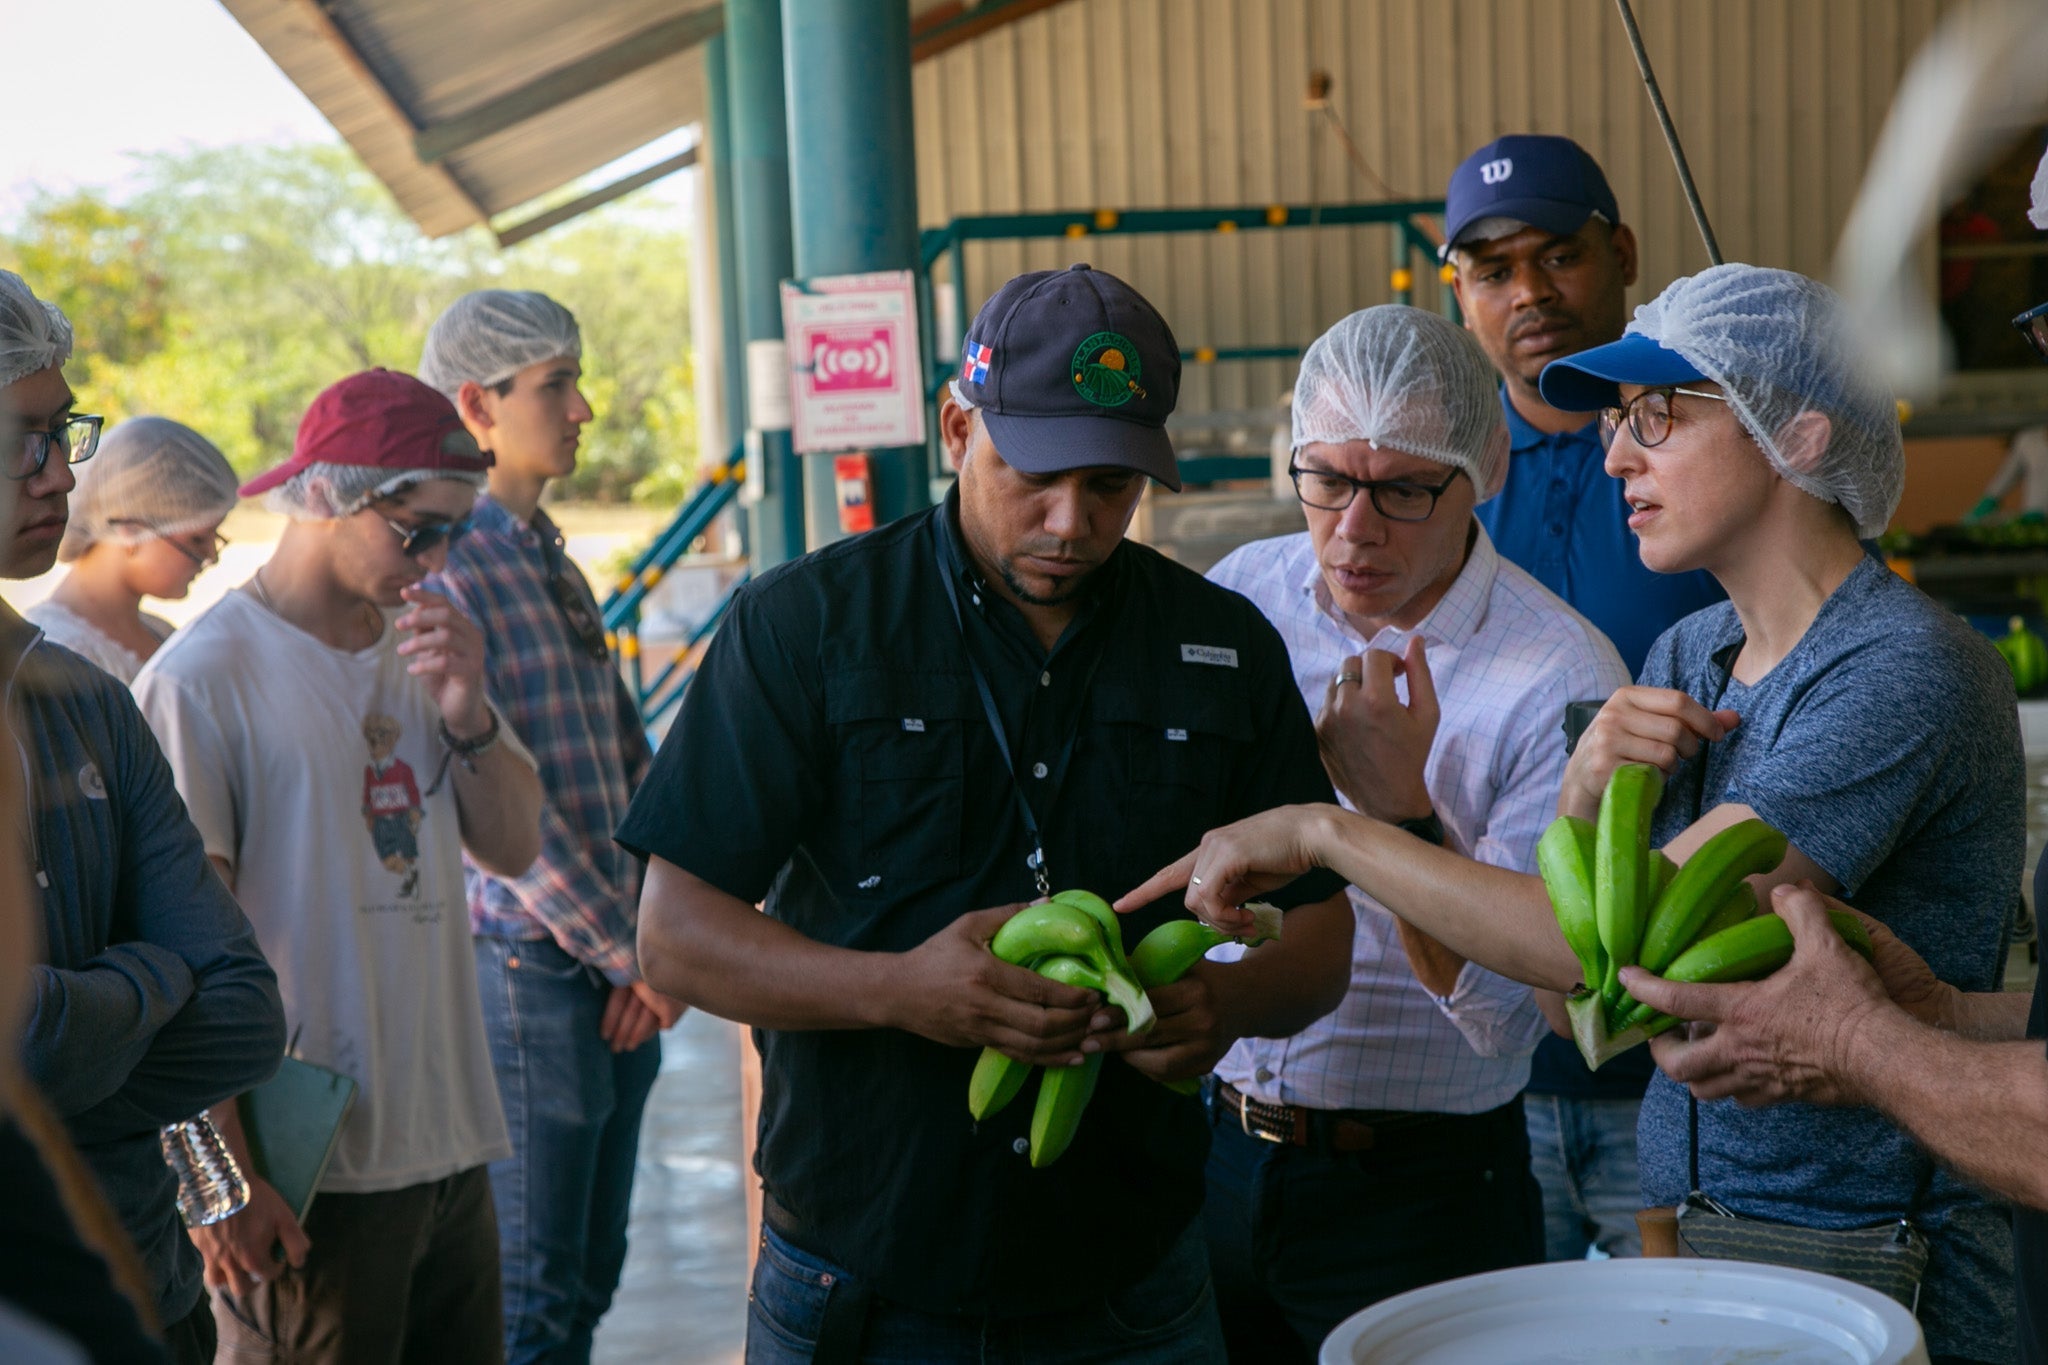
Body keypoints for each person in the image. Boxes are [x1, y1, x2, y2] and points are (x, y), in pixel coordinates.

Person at [1131, 265, 2022, 1364]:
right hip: (1707, 1222)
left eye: (1656, 417)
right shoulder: (1686, 658)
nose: (1612, 457)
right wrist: (1578, 793)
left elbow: (1634, 933)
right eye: (1613, 421)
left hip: (1880, 1244)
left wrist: (1332, 828)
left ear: (1794, 437)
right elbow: (1585, 1011)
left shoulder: (1897, 671)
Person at [619, 263, 1355, 1364]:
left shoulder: (1219, 649)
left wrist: (1221, 1007)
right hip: (859, 1279)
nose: (1072, 522)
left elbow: (1319, 936)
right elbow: (671, 937)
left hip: (1131, 1285)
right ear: (956, 428)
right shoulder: (806, 627)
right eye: (1036, 475)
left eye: (1111, 487)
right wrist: (895, 991)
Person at [1199, 305, 1628, 1356]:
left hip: (1421, 1191)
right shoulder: (1240, 602)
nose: (1352, 529)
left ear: (1481, 471)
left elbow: (1499, 1019)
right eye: (1327, 480)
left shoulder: (1560, 676)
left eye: (1399, 489)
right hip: (1215, 1158)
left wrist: (1394, 812)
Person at [133, 368, 545, 1365]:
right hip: (307, 1171)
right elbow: (171, 961)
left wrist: (468, 712)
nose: (439, 562)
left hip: (447, 1146)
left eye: (458, 533)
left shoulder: (426, 645)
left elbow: (513, 846)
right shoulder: (201, 681)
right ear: (324, 496)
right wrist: (217, 1184)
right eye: (418, 533)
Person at [1443, 133, 1726, 1261]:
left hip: (1687, 1044)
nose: (1528, 293)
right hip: (1484, 1064)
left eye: (1556, 255)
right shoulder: (1435, 490)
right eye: (1492, 267)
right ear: (1453, 287)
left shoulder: (1707, 467)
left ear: (1620, 253)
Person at [0, 269, 287, 1365]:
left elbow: (248, 1016)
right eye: (29, 437)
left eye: (65, 433)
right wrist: (155, 981)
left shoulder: (84, 706)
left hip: (142, 1298)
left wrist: (71, 1034)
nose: (64, 475)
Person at [418, 290, 673, 1365]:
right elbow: (489, 813)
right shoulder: (447, 568)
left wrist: (661, 932)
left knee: (586, 1281)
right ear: (477, 404)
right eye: (555, 385)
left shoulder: (541, 555)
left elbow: (622, 761)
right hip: (535, 970)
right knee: (530, 1300)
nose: (582, 409)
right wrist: (631, 954)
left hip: (616, 968)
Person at [24, 417, 238, 682]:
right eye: (197, 539)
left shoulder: (158, 630)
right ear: (131, 530)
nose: (212, 556)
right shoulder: (58, 650)